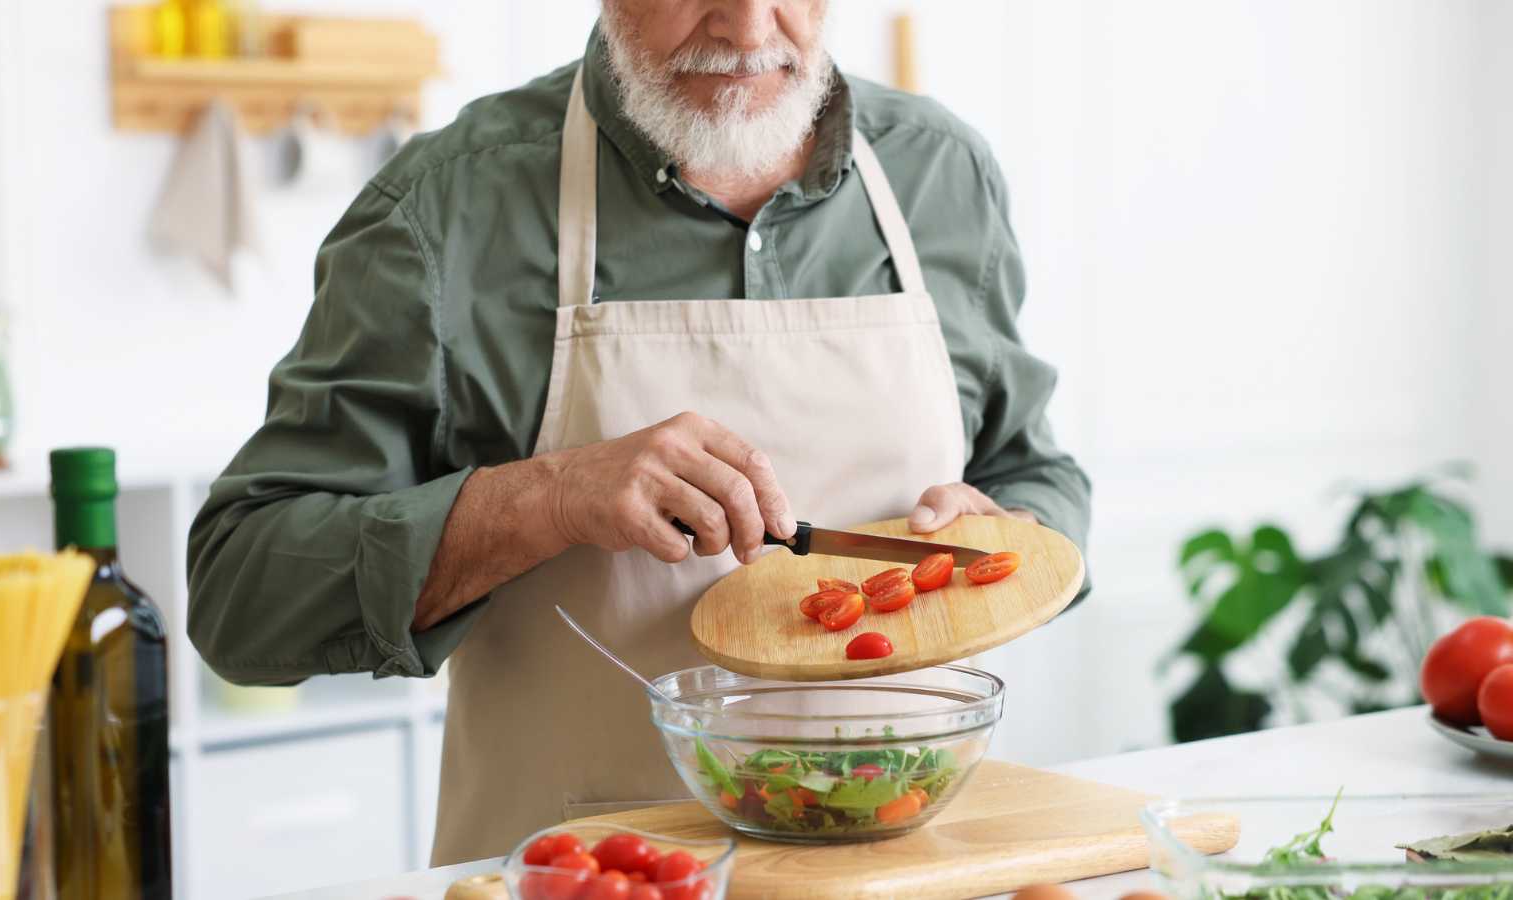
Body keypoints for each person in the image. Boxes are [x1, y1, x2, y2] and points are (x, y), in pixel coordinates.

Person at [187, 0, 1092, 865]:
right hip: (584, 868)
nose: (747, 28)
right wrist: (548, 497)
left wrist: (1007, 534)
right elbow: (240, 594)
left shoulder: (943, 175)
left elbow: (1034, 471)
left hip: (907, 862)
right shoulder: (445, 208)